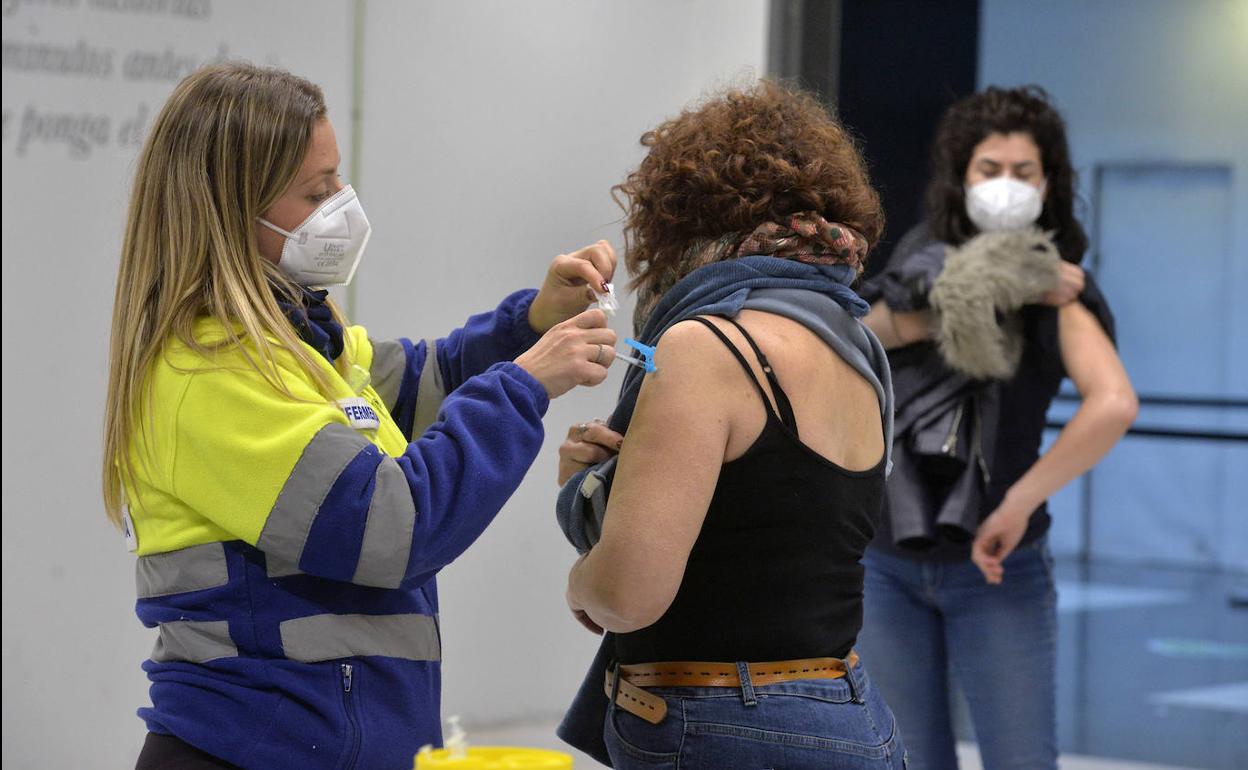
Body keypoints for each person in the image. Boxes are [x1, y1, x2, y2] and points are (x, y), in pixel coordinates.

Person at [103, 62, 620, 770]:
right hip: (250, 751)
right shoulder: (211, 374)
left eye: (337, 179)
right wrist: (523, 387)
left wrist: (530, 325)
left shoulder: (306, 342)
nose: (343, 203)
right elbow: (388, 527)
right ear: (232, 212)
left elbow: (417, 387)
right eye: (317, 191)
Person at [554, 81, 907, 769]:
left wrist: (581, 579)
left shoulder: (704, 347)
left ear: (681, 219)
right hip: (850, 714)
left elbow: (626, 597)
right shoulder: (858, 350)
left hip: (718, 725)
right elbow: (774, 532)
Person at [855, 86, 1139, 770]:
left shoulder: (1063, 288)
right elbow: (854, 341)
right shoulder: (917, 261)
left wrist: (1021, 500)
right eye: (990, 169)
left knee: (1019, 759)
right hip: (885, 562)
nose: (1006, 186)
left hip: (1000, 566)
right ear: (962, 175)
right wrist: (990, 287)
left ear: (1049, 183)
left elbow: (1113, 403)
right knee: (906, 761)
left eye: (1023, 172)